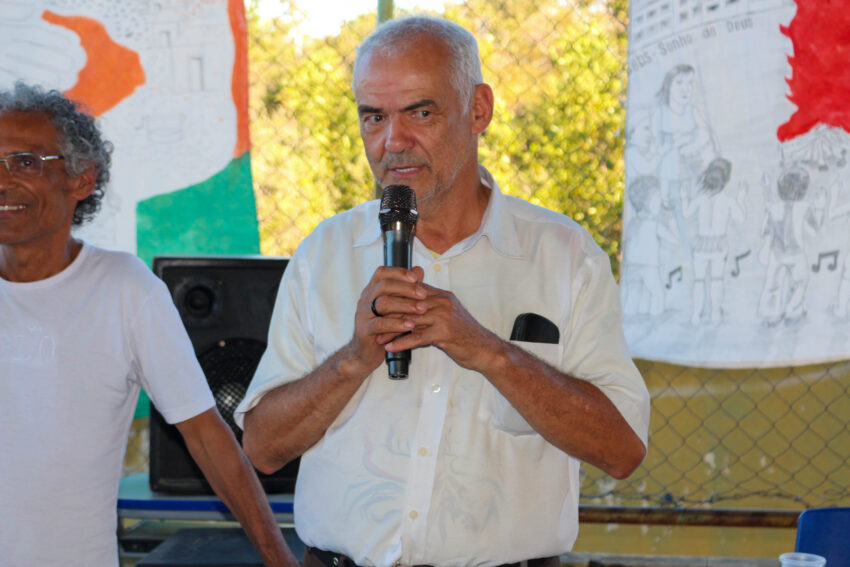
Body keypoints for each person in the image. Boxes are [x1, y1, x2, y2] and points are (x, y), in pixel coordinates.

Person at [236, 16, 650, 567]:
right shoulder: (325, 253)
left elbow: (622, 450)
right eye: (374, 116)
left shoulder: (564, 255)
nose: (393, 142)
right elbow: (263, 449)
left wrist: (491, 352)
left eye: (420, 113)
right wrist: (353, 360)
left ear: (479, 110)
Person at [0, 82, 298, 567]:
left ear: (81, 180)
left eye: (25, 162)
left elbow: (206, 437)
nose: (3, 180)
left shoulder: (125, 290)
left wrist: (279, 559)